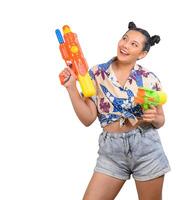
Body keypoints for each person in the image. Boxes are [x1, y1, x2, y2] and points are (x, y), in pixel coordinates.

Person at [60, 21, 170, 200]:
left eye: (134, 44)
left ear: (142, 54)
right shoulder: (97, 73)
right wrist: (71, 87)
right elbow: (88, 119)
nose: (125, 45)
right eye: (124, 39)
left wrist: (156, 118)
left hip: (146, 148)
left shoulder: (149, 79)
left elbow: (161, 120)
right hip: (111, 152)